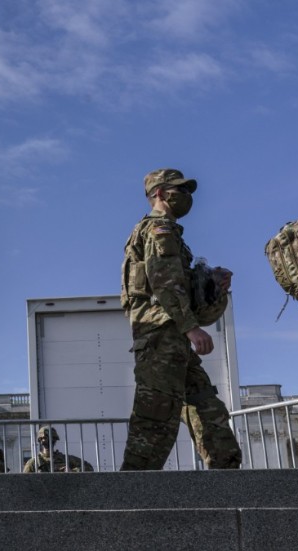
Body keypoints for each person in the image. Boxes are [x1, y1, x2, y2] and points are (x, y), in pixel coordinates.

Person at [119, 168, 241, 471]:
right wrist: (191, 329)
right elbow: (164, 282)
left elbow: (180, 287)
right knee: (156, 416)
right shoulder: (158, 229)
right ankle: (131, 492)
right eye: (179, 190)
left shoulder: (172, 234)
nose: (185, 196)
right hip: (161, 334)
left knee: (206, 406)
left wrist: (212, 284)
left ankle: (228, 476)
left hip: (172, 336)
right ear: (159, 193)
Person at [23, 426, 93, 473]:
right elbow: (25, 482)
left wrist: (72, 471)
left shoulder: (66, 459)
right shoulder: (33, 463)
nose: (49, 440)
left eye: (52, 438)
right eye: (45, 438)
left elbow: (89, 468)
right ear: (40, 441)